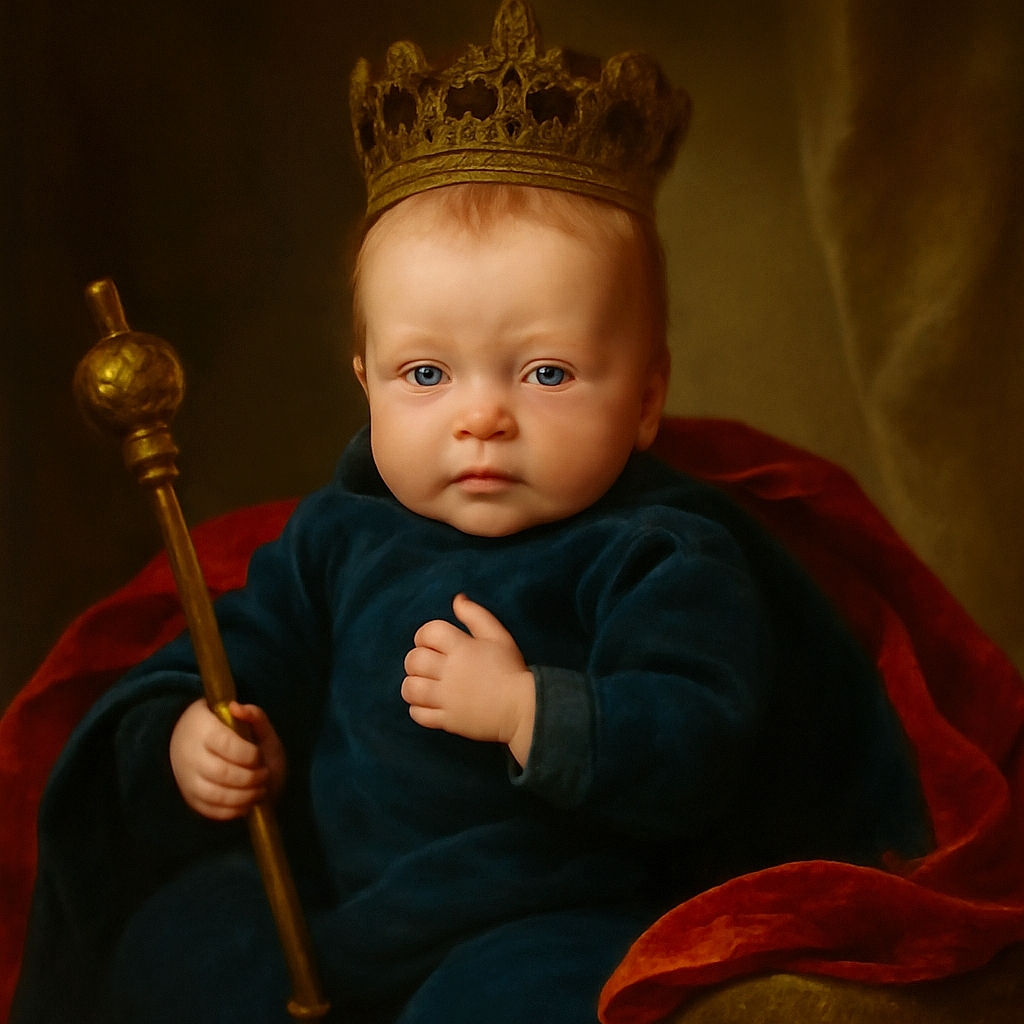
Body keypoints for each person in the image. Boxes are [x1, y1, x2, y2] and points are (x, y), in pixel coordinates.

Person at [13, 3, 929, 1022]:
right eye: (425, 372)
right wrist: (197, 736)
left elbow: (698, 743)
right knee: (176, 945)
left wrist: (533, 711)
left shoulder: (660, 553)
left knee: (526, 998)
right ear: (365, 381)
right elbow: (232, 656)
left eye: (546, 371)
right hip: (333, 906)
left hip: (554, 915)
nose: (483, 416)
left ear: (647, 396)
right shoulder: (335, 539)